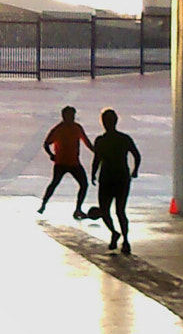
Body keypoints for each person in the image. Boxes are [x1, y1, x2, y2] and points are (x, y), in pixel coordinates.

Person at [91, 108, 142, 254]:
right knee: (120, 211)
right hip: (122, 178)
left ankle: (114, 232)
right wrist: (135, 170)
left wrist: (93, 174)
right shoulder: (124, 139)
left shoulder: (101, 141)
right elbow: (136, 155)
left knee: (105, 210)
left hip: (106, 178)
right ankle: (125, 241)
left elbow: (97, 159)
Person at [38, 105, 94, 218]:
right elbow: (46, 144)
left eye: (73, 116)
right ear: (64, 116)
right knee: (55, 183)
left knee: (83, 184)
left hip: (73, 163)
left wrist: (96, 152)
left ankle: (78, 209)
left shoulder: (76, 128)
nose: (71, 118)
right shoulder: (59, 129)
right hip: (62, 163)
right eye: (70, 116)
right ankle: (43, 204)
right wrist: (51, 155)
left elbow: (87, 143)